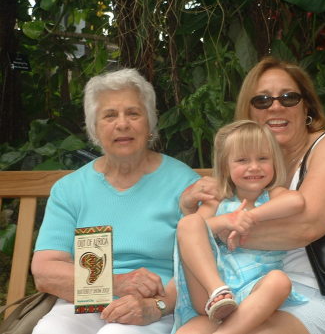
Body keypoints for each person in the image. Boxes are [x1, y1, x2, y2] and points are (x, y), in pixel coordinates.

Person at [176, 56, 325, 334]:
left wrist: (216, 232)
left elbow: (307, 226)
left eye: (288, 97)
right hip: (247, 288)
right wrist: (192, 217)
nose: (276, 106)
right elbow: (196, 232)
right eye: (263, 100)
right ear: (249, 112)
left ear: (307, 106)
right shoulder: (249, 167)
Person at [30, 68, 214, 334]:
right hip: (86, 303)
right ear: (94, 127)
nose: (122, 124)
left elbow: (204, 262)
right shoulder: (70, 190)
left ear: (149, 124)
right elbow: (45, 272)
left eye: (133, 113)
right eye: (110, 115)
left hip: (157, 307)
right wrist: (115, 283)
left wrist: (158, 305)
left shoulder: (184, 184)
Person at [174, 120, 308, 333]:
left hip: (253, 291)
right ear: (226, 166)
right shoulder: (218, 200)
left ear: (274, 162)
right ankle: (219, 292)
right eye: (242, 160)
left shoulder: (273, 196)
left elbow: (296, 202)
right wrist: (227, 221)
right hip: (209, 291)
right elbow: (193, 229)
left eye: (263, 159)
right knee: (189, 222)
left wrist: (250, 217)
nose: (254, 167)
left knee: (279, 281)